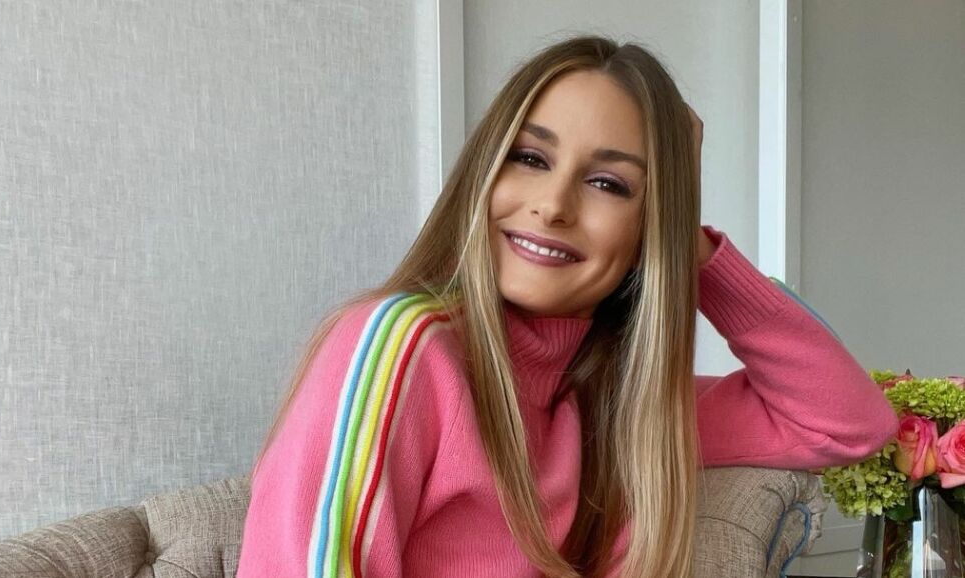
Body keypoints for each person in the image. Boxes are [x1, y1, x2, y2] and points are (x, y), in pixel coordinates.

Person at [235, 35, 898, 578]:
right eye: (530, 157)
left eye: (608, 183)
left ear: (648, 229)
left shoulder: (621, 401)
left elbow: (846, 422)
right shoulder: (401, 346)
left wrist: (685, 241)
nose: (553, 205)